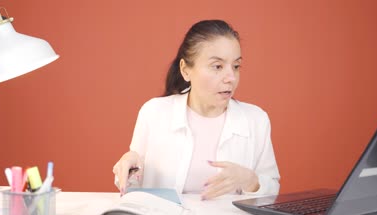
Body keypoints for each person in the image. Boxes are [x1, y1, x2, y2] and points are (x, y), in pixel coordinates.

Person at [113, 19, 280, 200]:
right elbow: (132, 185)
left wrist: (251, 180)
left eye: (236, 66)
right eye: (217, 66)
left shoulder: (256, 120)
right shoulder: (154, 112)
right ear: (186, 70)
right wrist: (128, 169)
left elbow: (272, 191)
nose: (231, 77)